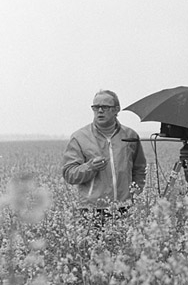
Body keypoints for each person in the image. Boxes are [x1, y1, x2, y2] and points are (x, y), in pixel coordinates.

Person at [62, 90, 146, 228]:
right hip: (92, 209)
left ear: (116, 110)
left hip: (124, 207)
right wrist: (90, 167)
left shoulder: (130, 135)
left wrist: (134, 193)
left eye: (105, 107)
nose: (99, 111)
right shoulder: (80, 137)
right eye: (96, 107)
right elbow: (69, 174)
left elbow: (139, 168)